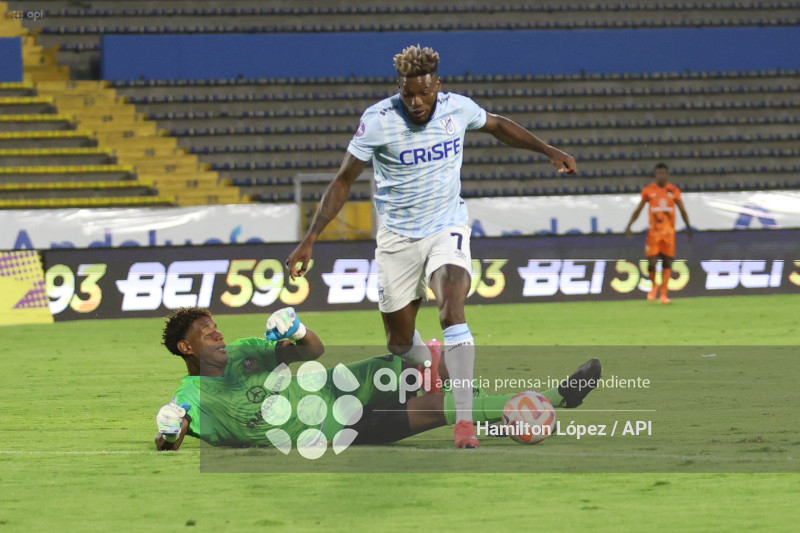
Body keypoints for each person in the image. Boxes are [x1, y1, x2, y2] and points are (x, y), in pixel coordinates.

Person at [285, 44, 578, 449]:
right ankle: (431, 362)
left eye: (425, 93)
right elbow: (343, 180)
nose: (418, 102)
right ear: (399, 88)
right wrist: (310, 238)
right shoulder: (378, 121)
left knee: (451, 306)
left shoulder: (457, 108)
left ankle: (463, 423)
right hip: (397, 240)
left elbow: (496, 125)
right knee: (399, 343)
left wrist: (548, 150)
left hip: (447, 227)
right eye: (409, 94)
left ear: (438, 85)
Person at [154, 307, 601, 451]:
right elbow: (172, 439)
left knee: (428, 364)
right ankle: (554, 401)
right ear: (186, 348)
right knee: (434, 406)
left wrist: (299, 330)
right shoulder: (190, 395)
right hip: (337, 431)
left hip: (340, 385)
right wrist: (167, 429)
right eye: (206, 331)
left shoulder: (246, 353)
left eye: (216, 325)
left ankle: (541, 406)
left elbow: (313, 352)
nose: (218, 332)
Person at [625, 163, 691, 304]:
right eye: (658, 173)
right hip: (654, 234)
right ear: (655, 175)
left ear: (667, 175)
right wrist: (630, 225)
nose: (661, 175)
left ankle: (664, 295)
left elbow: (682, 210)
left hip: (669, 234)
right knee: (652, 263)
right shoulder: (649, 191)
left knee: (667, 262)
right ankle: (654, 285)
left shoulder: (673, 191)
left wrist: (688, 226)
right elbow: (638, 209)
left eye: (663, 173)